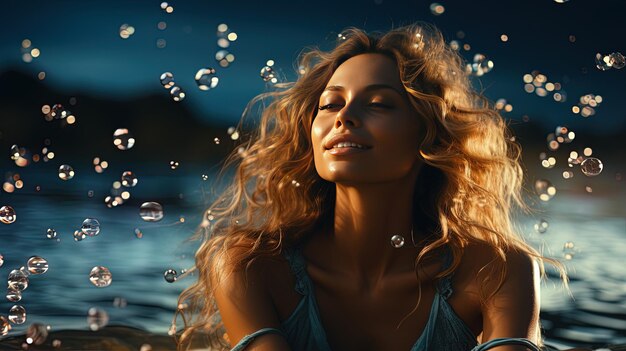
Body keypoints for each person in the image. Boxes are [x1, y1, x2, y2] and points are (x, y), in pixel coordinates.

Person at [176, 23, 591, 351]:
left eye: (378, 104)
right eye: (330, 103)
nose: (344, 117)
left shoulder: (497, 270)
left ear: (429, 136)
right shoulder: (251, 265)